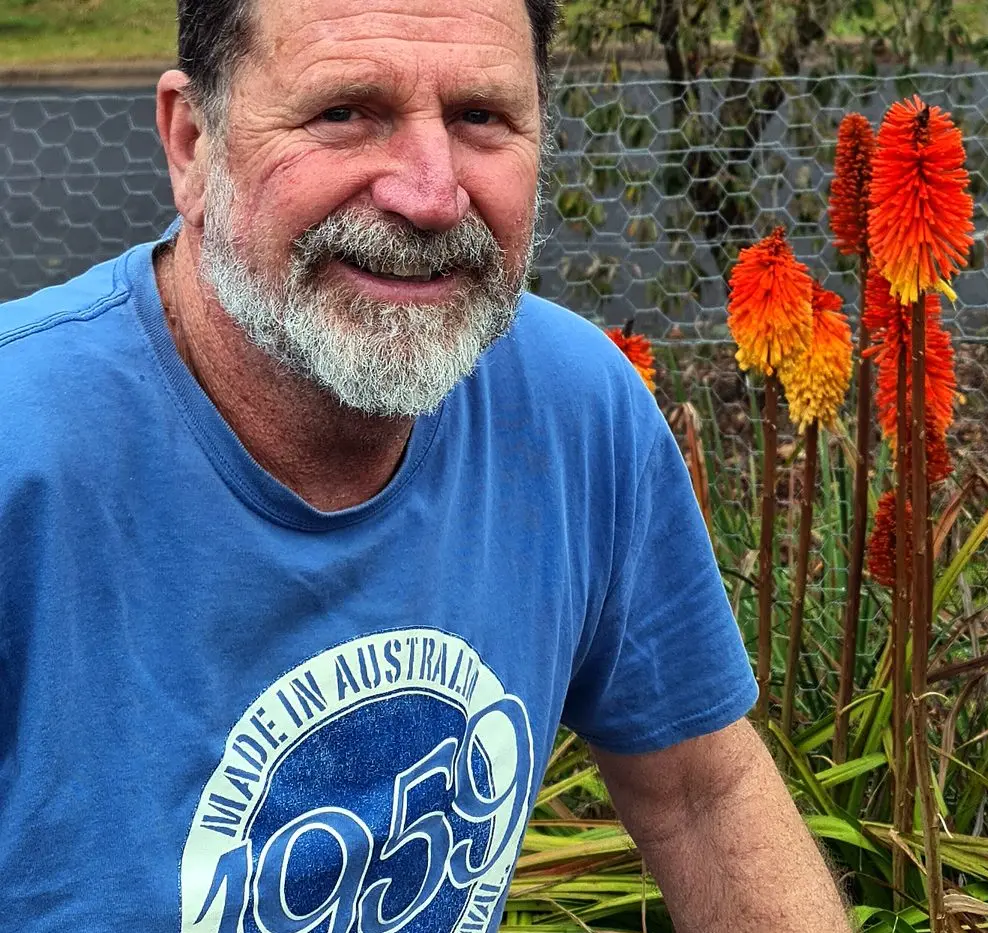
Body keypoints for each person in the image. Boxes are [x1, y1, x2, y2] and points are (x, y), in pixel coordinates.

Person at [0, 0, 854, 930]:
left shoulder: (576, 407)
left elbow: (704, 795)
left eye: (480, 118)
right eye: (345, 113)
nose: (431, 195)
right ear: (192, 141)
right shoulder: (26, 448)